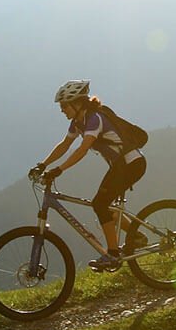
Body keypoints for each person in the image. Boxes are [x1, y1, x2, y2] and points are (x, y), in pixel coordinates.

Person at [31, 80, 148, 272]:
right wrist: (43, 165)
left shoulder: (94, 119)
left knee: (100, 204)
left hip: (131, 164)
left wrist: (59, 169)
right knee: (104, 204)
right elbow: (64, 145)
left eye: (64, 106)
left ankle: (112, 254)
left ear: (77, 103)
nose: (62, 110)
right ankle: (136, 236)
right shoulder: (78, 122)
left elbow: (82, 149)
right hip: (122, 166)